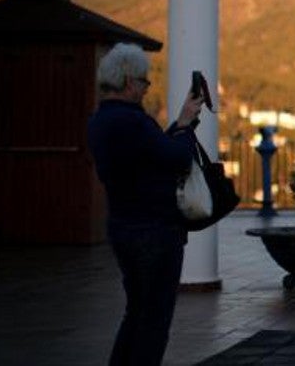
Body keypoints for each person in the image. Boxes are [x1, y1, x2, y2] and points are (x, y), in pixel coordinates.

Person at [87, 42, 204, 366]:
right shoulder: (134, 122)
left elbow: (151, 153)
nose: (144, 89)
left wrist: (180, 123)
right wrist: (186, 131)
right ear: (127, 82)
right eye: (143, 82)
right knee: (154, 320)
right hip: (155, 232)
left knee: (136, 312)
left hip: (123, 226)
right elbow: (177, 158)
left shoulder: (99, 122)